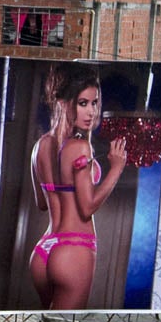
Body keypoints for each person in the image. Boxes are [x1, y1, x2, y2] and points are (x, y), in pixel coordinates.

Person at [29, 63, 127, 309]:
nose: (92, 112)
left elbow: (42, 203)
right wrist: (115, 168)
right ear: (63, 102)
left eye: (94, 103)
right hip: (74, 249)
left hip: (44, 250)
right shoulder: (79, 147)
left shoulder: (39, 147)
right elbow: (87, 208)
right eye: (83, 103)